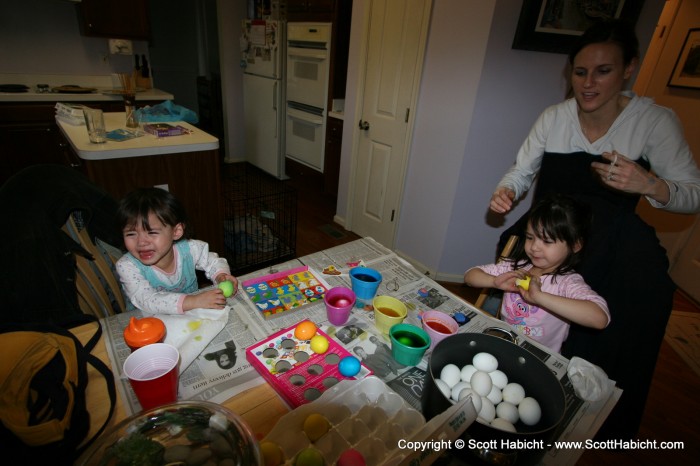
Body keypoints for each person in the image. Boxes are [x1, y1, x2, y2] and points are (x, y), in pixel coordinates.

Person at [488, 19, 700, 440]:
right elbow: (521, 171)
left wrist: (651, 185)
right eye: (580, 72)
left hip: (610, 235)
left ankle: (594, 408)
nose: (588, 83)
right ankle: (517, 361)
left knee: (648, 290)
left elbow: (693, 193)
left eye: (603, 71)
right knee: (512, 253)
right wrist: (507, 191)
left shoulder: (654, 121)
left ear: (628, 69)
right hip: (551, 226)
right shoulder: (554, 116)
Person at [465, 194, 610, 353]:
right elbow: (470, 276)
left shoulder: (567, 283)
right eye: (529, 237)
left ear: (575, 245)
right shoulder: (517, 267)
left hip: (538, 357)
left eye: (547, 241)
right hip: (507, 343)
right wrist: (494, 281)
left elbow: (600, 318)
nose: (534, 247)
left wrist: (538, 297)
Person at [116, 187, 238, 314]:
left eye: (152, 232)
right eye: (131, 234)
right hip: (147, 324)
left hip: (189, 316)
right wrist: (194, 301)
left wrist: (221, 276)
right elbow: (146, 299)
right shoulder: (127, 266)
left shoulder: (189, 249)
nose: (141, 242)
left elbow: (212, 261)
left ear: (176, 231)